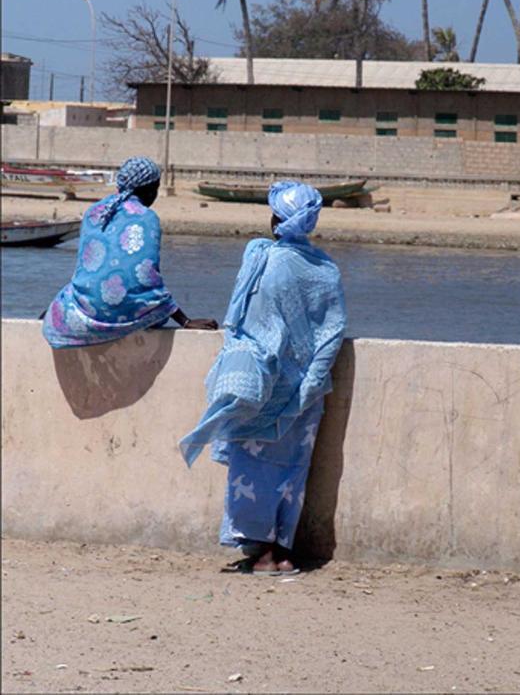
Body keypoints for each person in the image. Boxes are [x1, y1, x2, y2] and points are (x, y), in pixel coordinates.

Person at [179, 180, 346, 575]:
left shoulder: (265, 260)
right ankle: (282, 550)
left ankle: (263, 553)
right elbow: (332, 331)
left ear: (276, 219)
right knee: (291, 470)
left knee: (254, 468)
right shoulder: (326, 270)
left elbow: (253, 326)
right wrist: (309, 381)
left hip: (266, 386)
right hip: (306, 391)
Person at [42, 156, 217, 348]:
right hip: (128, 314)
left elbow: (86, 271)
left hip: (87, 311)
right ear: (150, 189)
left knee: (56, 305)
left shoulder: (95, 211)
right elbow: (146, 278)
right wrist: (184, 320)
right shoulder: (146, 217)